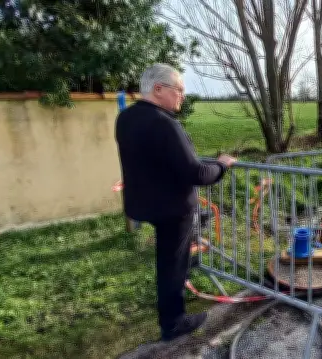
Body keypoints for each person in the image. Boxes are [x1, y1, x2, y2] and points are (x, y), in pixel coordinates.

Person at [114, 63, 237, 341]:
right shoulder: (165, 123)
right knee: (173, 265)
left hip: (142, 203)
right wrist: (222, 165)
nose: (182, 96)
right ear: (158, 89)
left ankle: (170, 308)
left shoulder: (126, 118)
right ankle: (174, 322)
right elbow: (196, 173)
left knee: (167, 261)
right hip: (172, 208)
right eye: (178, 90)